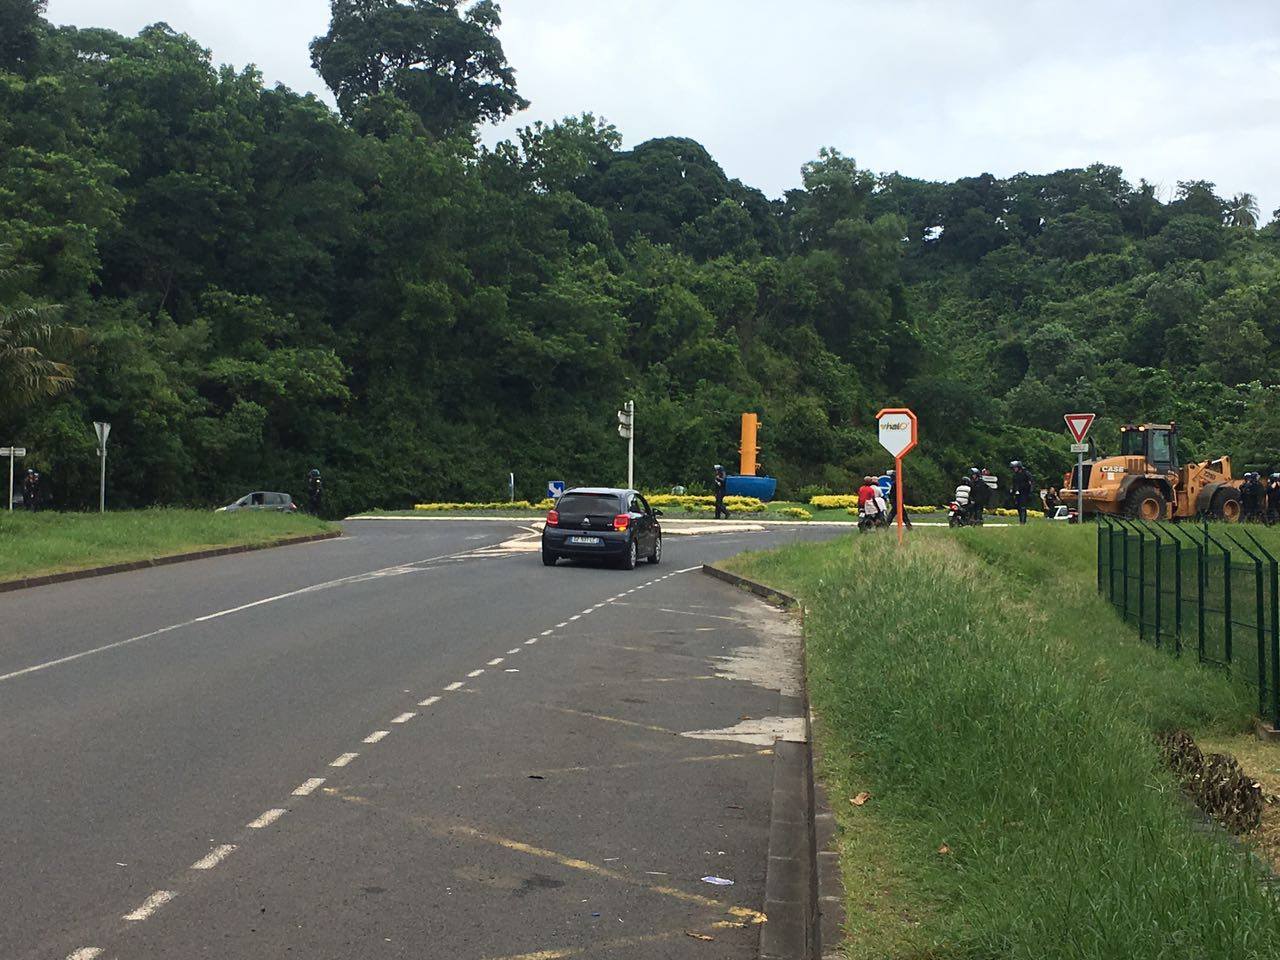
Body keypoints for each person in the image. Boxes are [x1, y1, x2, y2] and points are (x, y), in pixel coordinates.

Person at [1009, 460, 1034, 525]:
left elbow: (1031, 482)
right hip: (1017, 493)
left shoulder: (1026, 473)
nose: (1014, 469)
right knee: (1018, 506)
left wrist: (1030, 491)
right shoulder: (1015, 475)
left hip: (1025, 492)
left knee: (1023, 507)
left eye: (1015, 468)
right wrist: (1012, 490)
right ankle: (1021, 520)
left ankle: (1023, 521)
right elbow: (1013, 483)